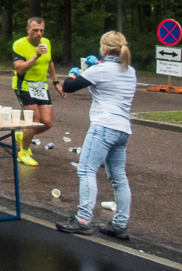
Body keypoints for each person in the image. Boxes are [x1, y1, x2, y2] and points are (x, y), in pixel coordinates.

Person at [56, 32, 137, 239]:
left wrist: (74, 74)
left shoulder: (101, 69)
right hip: (123, 129)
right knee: (119, 177)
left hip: (103, 126)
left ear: (104, 48)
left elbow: (69, 87)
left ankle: (83, 219)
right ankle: (120, 224)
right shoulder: (131, 71)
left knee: (86, 170)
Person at [12, 17, 65, 166]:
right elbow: (19, 68)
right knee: (34, 120)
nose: (39, 33)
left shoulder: (46, 42)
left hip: (41, 86)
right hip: (24, 85)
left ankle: (23, 136)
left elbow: (50, 63)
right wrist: (36, 56)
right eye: (35, 30)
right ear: (28, 30)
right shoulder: (19, 44)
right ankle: (23, 152)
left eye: (41, 30)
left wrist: (56, 83)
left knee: (47, 123)